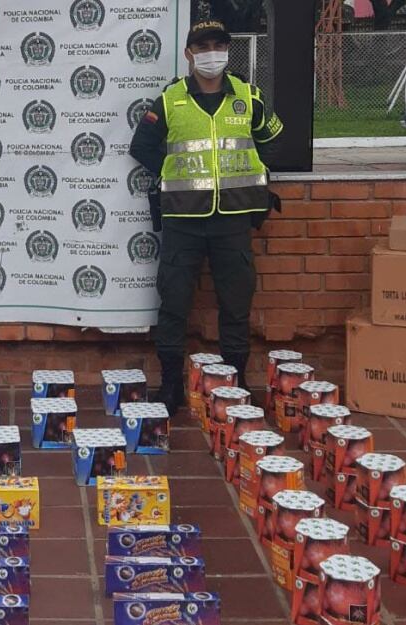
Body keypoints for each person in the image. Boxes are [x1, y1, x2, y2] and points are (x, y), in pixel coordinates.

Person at [128, 19, 284, 410]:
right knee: (173, 303)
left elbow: (273, 141)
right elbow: (141, 146)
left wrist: (257, 175)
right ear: (189, 54)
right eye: (202, 47)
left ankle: (236, 383)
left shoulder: (248, 96)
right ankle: (170, 386)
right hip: (183, 220)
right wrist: (170, 172)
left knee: (236, 304)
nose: (211, 53)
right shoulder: (171, 100)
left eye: (218, 45)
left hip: (233, 219)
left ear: (227, 51)